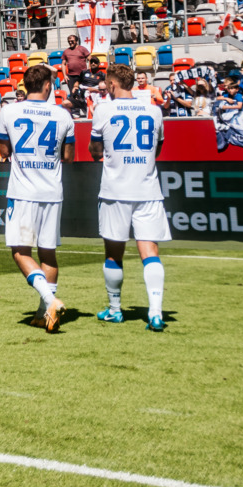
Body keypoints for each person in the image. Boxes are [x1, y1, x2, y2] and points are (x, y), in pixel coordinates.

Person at [89, 63, 169, 331]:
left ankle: (115, 310)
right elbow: (157, 149)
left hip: (115, 191)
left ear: (112, 84)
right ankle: (155, 313)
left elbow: (95, 151)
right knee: (150, 252)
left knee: (114, 254)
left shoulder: (103, 109)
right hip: (147, 190)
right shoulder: (154, 111)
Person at [0, 65, 74, 332]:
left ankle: (50, 301)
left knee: (20, 251)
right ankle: (44, 314)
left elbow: (4, 151)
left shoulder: (9, 112)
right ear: (48, 85)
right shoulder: (63, 115)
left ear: (24, 86)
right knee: (48, 252)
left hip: (23, 192)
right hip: (52, 191)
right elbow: (68, 157)